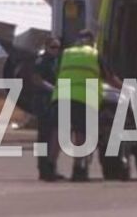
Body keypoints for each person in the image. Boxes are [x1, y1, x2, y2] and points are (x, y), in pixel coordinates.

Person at [52, 31, 106, 182]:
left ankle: (50, 167)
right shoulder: (94, 55)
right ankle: (78, 168)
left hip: (61, 95)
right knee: (80, 133)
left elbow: (56, 72)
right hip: (83, 97)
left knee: (58, 132)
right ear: (92, 41)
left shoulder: (66, 53)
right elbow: (109, 76)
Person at [27, 37, 62, 181]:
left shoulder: (56, 61)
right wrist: (52, 88)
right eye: (53, 47)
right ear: (47, 47)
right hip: (43, 101)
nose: (56, 50)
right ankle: (43, 169)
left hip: (52, 100)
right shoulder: (42, 61)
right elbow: (36, 78)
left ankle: (51, 167)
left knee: (53, 135)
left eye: (58, 48)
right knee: (44, 136)